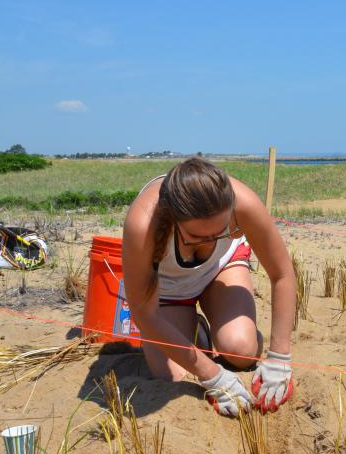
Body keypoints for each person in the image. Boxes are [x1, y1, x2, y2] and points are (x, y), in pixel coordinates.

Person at [121, 157, 296, 416]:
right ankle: (198, 332)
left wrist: (279, 359)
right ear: (174, 219)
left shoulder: (243, 202)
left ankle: (217, 330)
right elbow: (144, 313)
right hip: (169, 291)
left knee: (240, 350)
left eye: (220, 232)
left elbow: (282, 274)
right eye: (196, 236)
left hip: (221, 271)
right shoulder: (143, 223)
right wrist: (212, 375)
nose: (209, 241)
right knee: (177, 378)